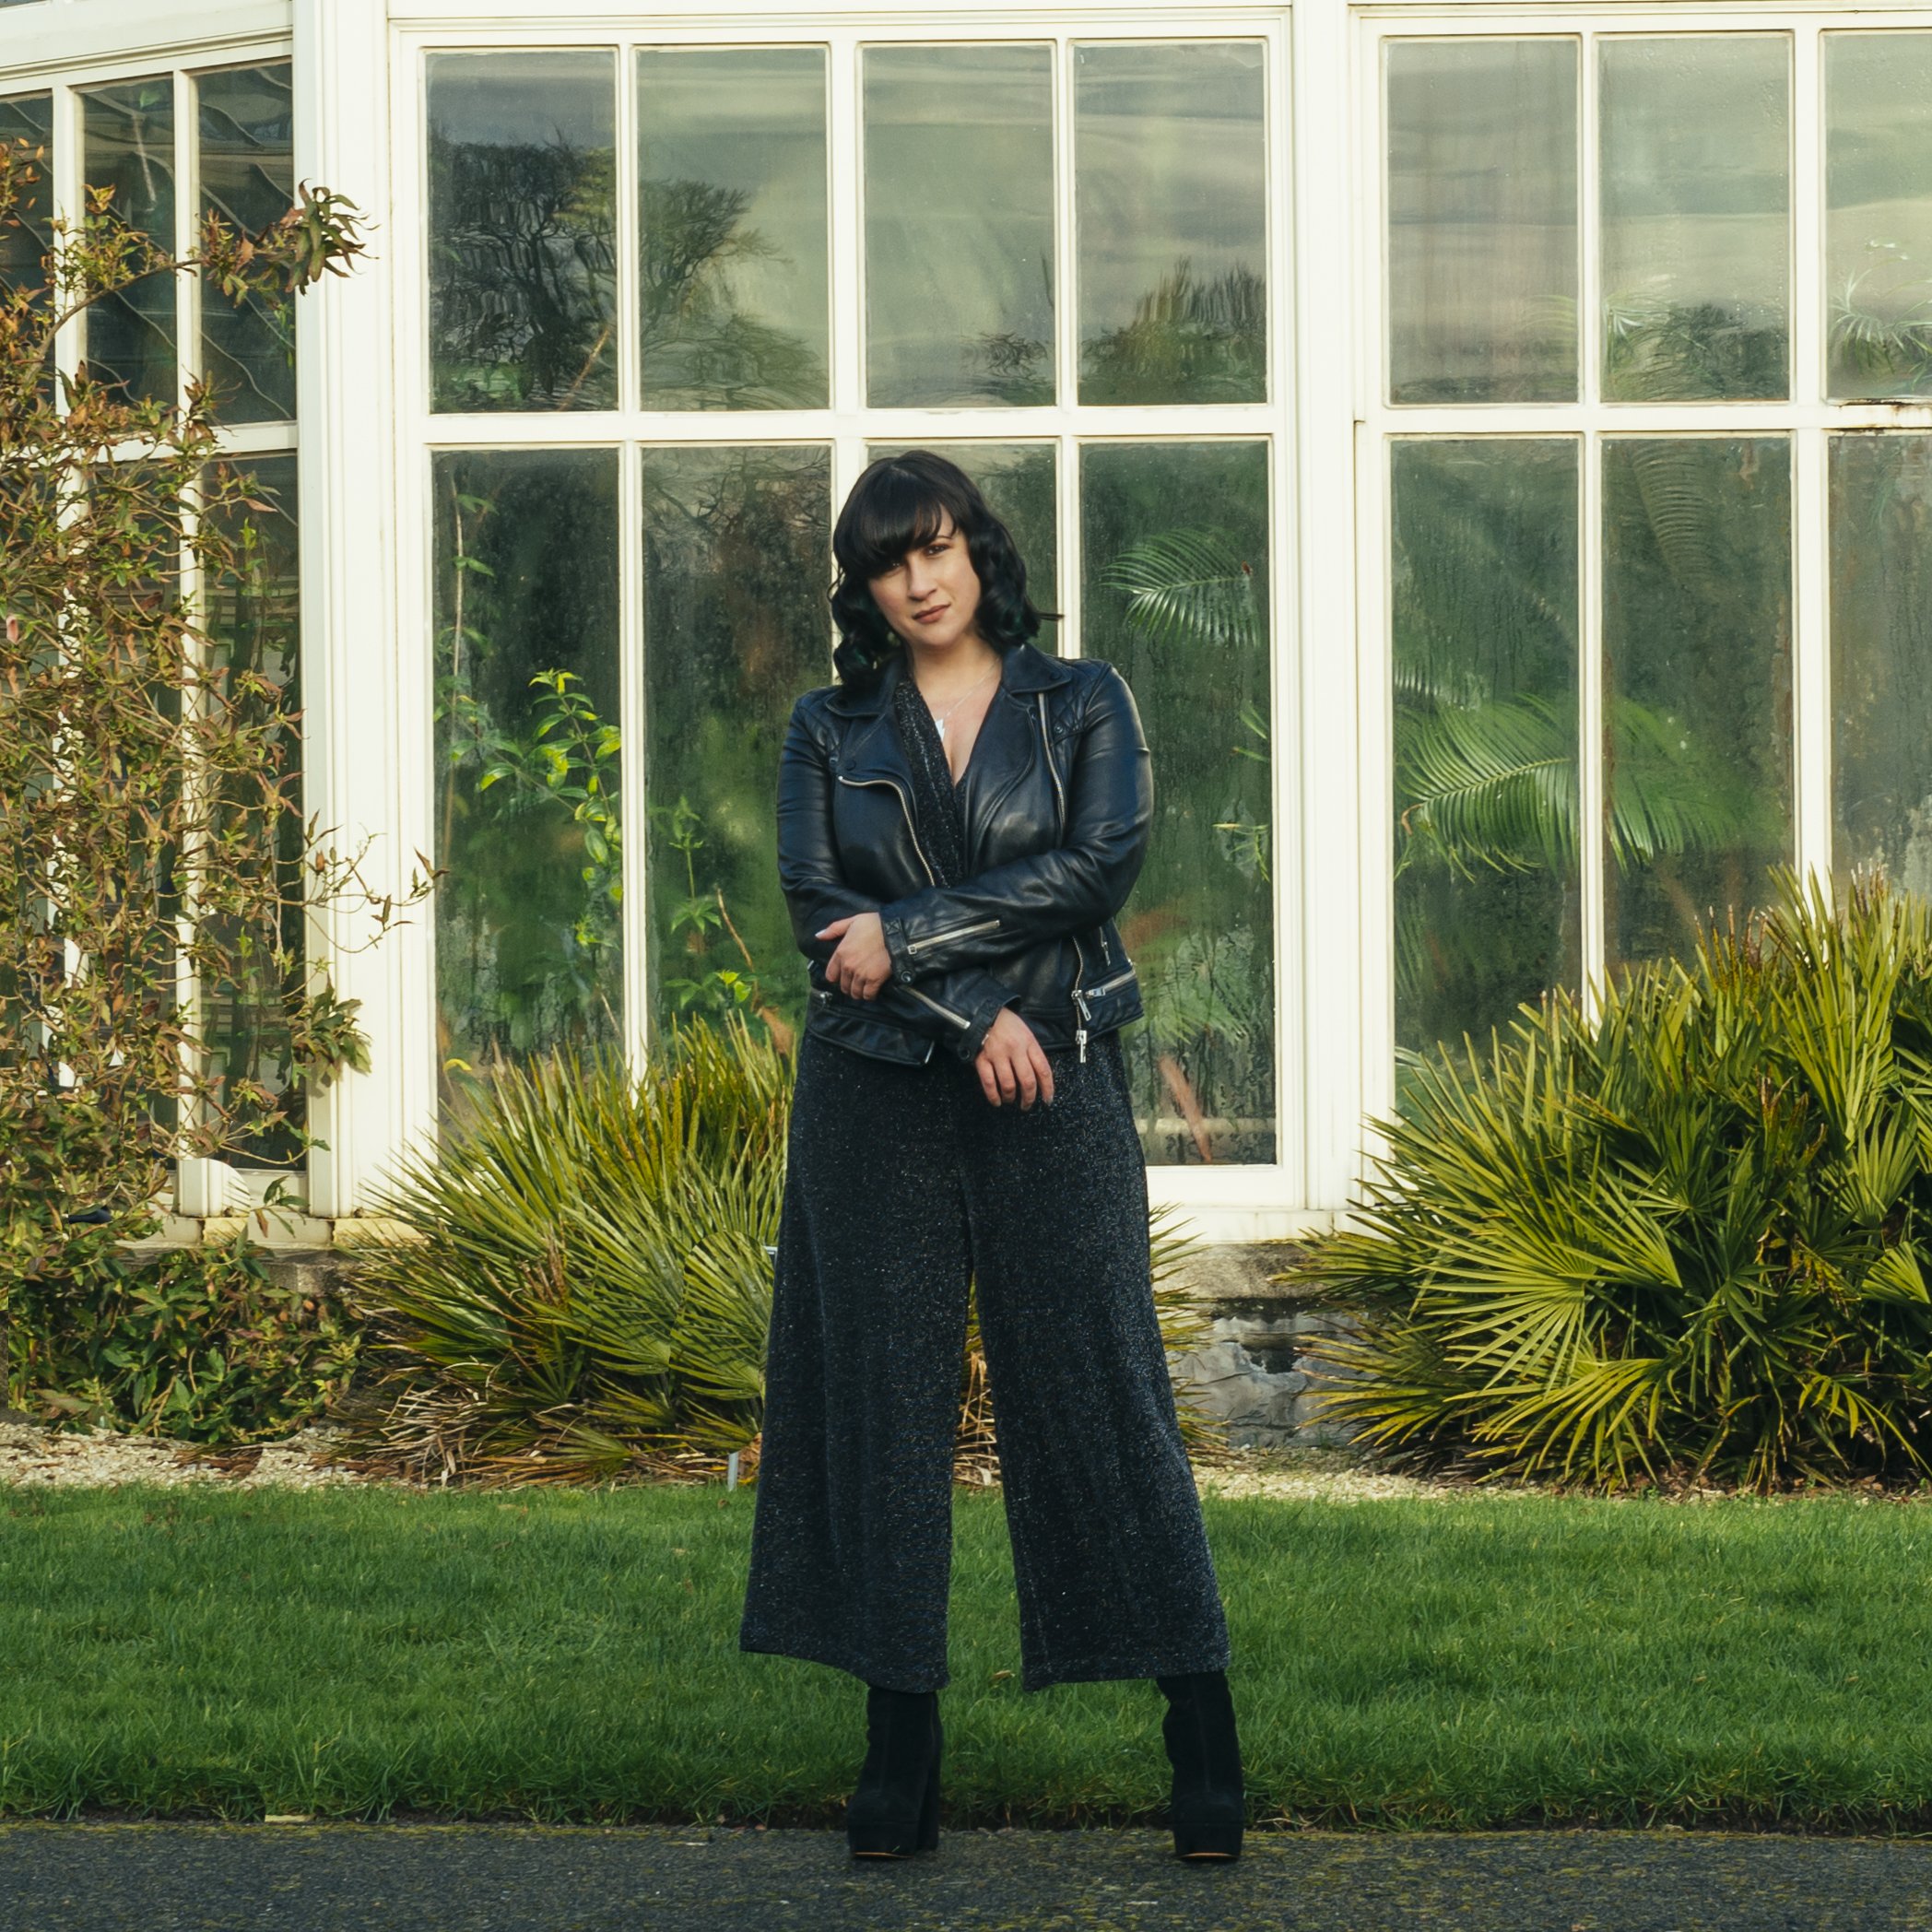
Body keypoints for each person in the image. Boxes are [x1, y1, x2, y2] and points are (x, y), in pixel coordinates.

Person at [737, 450, 1243, 1863]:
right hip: (878, 1098)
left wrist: (918, 944)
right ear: (865, 584)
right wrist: (967, 1018)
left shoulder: (1083, 702)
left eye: (941, 545)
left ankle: (1198, 1726)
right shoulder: (827, 730)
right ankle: (901, 1741)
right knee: (880, 1405)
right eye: (892, 559)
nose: (922, 576)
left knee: (1100, 1388)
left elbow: (1096, 870)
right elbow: (818, 916)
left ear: (981, 552)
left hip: (1056, 1078)